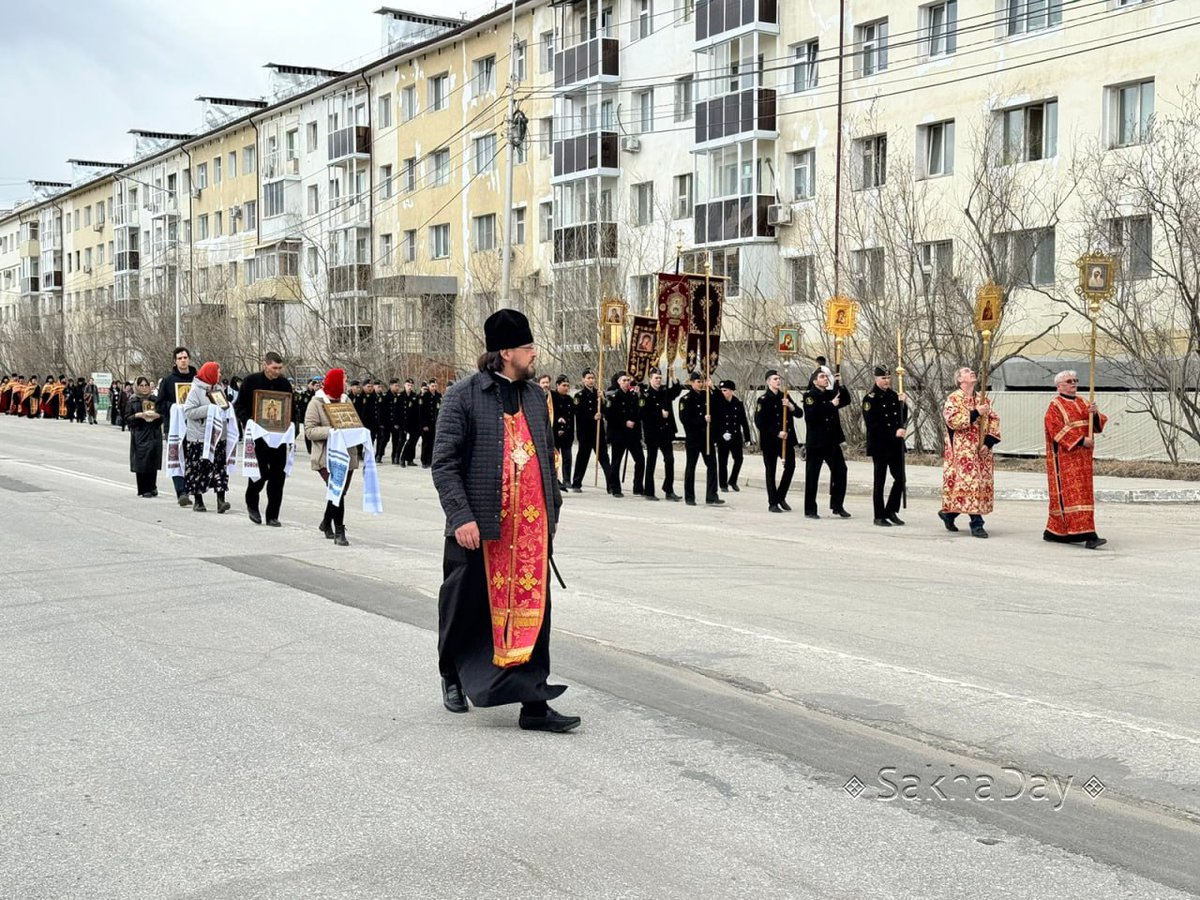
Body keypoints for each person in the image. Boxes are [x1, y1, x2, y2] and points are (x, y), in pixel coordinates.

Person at [431, 308, 577, 732]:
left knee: (535, 613)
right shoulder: (462, 395)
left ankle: (534, 704)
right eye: (529, 348)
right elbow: (444, 463)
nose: (535, 355)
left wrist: (552, 513)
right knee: (464, 607)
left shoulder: (536, 397)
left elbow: (547, 459)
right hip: (480, 530)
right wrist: (461, 517)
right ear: (506, 352)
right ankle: (452, 676)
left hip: (529, 533)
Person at [1043, 370, 1108, 549]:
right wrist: (1080, 440)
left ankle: (1056, 532)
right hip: (1065, 459)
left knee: (1084, 495)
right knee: (1072, 497)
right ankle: (1089, 535)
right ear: (1059, 386)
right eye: (1069, 381)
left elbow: (1097, 423)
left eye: (1075, 380)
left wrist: (1094, 414)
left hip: (1083, 459)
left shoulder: (1083, 402)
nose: (1073, 384)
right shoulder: (1055, 405)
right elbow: (1055, 428)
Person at [939, 366, 1001, 538]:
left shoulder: (983, 399)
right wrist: (975, 413)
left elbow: (994, 420)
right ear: (960, 379)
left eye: (972, 371)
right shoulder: (953, 398)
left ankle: (949, 514)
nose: (971, 372)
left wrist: (988, 443)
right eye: (966, 371)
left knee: (978, 485)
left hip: (981, 451)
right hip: (962, 451)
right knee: (970, 483)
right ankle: (977, 524)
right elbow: (953, 421)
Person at [234, 351, 294, 527]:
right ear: (265, 364)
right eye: (274, 367)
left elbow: (291, 408)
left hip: (279, 437)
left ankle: (272, 515)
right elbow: (239, 406)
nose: (277, 371)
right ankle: (252, 504)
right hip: (258, 436)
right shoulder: (251, 381)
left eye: (280, 368)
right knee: (259, 474)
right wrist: (249, 422)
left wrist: (291, 425)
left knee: (277, 477)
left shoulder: (284, 384)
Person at [304, 368, 357, 547]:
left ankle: (326, 522)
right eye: (344, 380)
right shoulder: (316, 402)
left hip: (346, 455)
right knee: (337, 490)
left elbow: (352, 421)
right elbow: (309, 431)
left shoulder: (346, 400)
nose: (346, 383)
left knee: (338, 491)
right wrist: (332, 432)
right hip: (326, 456)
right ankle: (339, 530)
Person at [182, 361, 233, 514]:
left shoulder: (218, 389)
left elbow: (223, 407)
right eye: (217, 372)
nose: (220, 375)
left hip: (217, 437)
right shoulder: (196, 390)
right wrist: (209, 409)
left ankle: (221, 500)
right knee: (198, 469)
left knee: (219, 468)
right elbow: (189, 412)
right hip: (199, 437)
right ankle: (198, 500)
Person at [862, 365, 909, 527]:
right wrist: (893, 432)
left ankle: (891, 510)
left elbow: (902, 417)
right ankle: (879, 515)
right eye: (883, 378)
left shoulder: (895, 395)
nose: (887, 381)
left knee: (901, 479)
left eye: (889, 378)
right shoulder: (870, 398)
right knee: (879, 481)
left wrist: (904, 404)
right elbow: (872, 424)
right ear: (876, 379)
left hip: (895, 445)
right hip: (880, 445)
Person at [803, 369, 852, 519]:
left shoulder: (830, 394)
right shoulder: (809, 396)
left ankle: (837, 505)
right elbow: (812, 416)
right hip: (816, 442)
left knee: (841, 471)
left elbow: (845, 400)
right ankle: (810, 509)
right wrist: (831, 405)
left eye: (826, 377)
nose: (825, 379)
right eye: (822, 377)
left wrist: (841, 384)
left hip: (831, 441)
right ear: (814, 381)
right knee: (812, 476)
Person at [754, 369, 800, 512]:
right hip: (771, 441)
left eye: (779, 379)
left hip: (786, 440)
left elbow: (799, 413)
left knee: (790, 466)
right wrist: (776, 432)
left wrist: (790, 406)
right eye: (775, 379)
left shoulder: (785, 396)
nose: (778, 381)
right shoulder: (763, 399)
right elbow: (759, 422)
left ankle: (781, 496)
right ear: (768, 382)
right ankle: (772, 502)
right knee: (771, 470)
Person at [158, 347, 198, 507]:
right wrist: (175, 406)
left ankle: (190, 489)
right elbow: (159, 405)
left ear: (189, 359)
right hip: (174, 426)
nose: (183, 360)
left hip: (194, 426)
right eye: (180, 358)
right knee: (177, 457)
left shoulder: (197, 380)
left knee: (192, 458)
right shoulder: (168, 381)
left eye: (185, 357)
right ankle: (181, 492)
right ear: (175, 361)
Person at [678, 371, 723, 506]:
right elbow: (685, 419)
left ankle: (712, 495)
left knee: (712, 466)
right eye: (698, 382)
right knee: (691, 467)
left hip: (707, 438)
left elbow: (720, 403)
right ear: (691, 383)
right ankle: (690, 497)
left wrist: (713, 387)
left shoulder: (707, 396)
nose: (701, 384)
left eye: (702, 381)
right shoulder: (686, 399)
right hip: (694, 438)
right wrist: (702, 420)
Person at [640, 368, 683, 502]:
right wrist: (659, 414)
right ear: (650, 379)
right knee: (651, 461)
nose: (658, 380)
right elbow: (642, 414)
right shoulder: (645, 394)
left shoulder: (665, 392)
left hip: (666, 432)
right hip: (653, 433)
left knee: (669, 460)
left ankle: (668, 489)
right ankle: (649, 491)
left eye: (660, 378)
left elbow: (677, 391)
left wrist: (673, 376)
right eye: (656, 378)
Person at [569, 368, 612, 493]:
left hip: (598, 432)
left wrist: (603, 400)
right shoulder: (579, 396)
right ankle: (576, 483)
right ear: (583, 380)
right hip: (585, 432)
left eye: (592, 378)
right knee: (583, 457)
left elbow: (607, 410)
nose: (591, 380)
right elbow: (578, 413)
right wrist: (592, 417)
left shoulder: (598, 394)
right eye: (588, 378)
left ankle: (611, 484)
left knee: (604, 457)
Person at [605, 371, 645, 498]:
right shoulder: (613, 397)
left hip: (632, 435)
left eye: (628, 380)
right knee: (616, 462)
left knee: (640, 460)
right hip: (619, 434)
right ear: (618, 382)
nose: (627, 383)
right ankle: (615, 487)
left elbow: (639, 413)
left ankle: (638, 486)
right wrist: (624, 422)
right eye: (624, 380)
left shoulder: (634, 396)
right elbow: (609, 416)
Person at [125, 376, 163, 497]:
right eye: (141, 385)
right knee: (142, 461)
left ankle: (153, 486)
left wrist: (157, 416)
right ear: (137, 387)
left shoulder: (155, 399)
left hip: (154, 432)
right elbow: (127, 419)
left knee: (153, 459)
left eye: (146, 385)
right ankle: (143, 488)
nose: (144, 388)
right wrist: (138, 415)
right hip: (140, 433)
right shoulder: (133, 401)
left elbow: (163, 415)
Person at [714, 379, 751, 493]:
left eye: (725, 390)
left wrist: (748, 438)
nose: (722, 392)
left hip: (735, 436)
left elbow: (744, 421)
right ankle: (723, 484)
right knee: (722, 461)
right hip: (723, 437)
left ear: (731, 391)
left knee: (739, 459)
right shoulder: (718, 404)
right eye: (721, 390)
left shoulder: (738, 404)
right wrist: (720, 435)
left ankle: (733, 480)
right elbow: (715, 422)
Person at [550, 375, 575, 491]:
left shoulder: (570, 400)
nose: (566, 388)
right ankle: (555, 480)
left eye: (568, 386)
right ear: (557, 385)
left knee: (567, 458)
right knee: (555, 458)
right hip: (554, 434)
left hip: (567, 434)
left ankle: (567, 479)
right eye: (564, 385)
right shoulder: (552, 398)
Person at [419, 378, 442, 468]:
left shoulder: (438, 396)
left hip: (435, 424)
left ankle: (431, 460)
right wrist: (424, 424)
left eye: (435, 386)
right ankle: (424, 461)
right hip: (426, 424)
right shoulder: (424, 396)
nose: (434, 388)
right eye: (432, 386)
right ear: (429, 386)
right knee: (426, 443)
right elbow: (421, 412)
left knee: (433, 443)